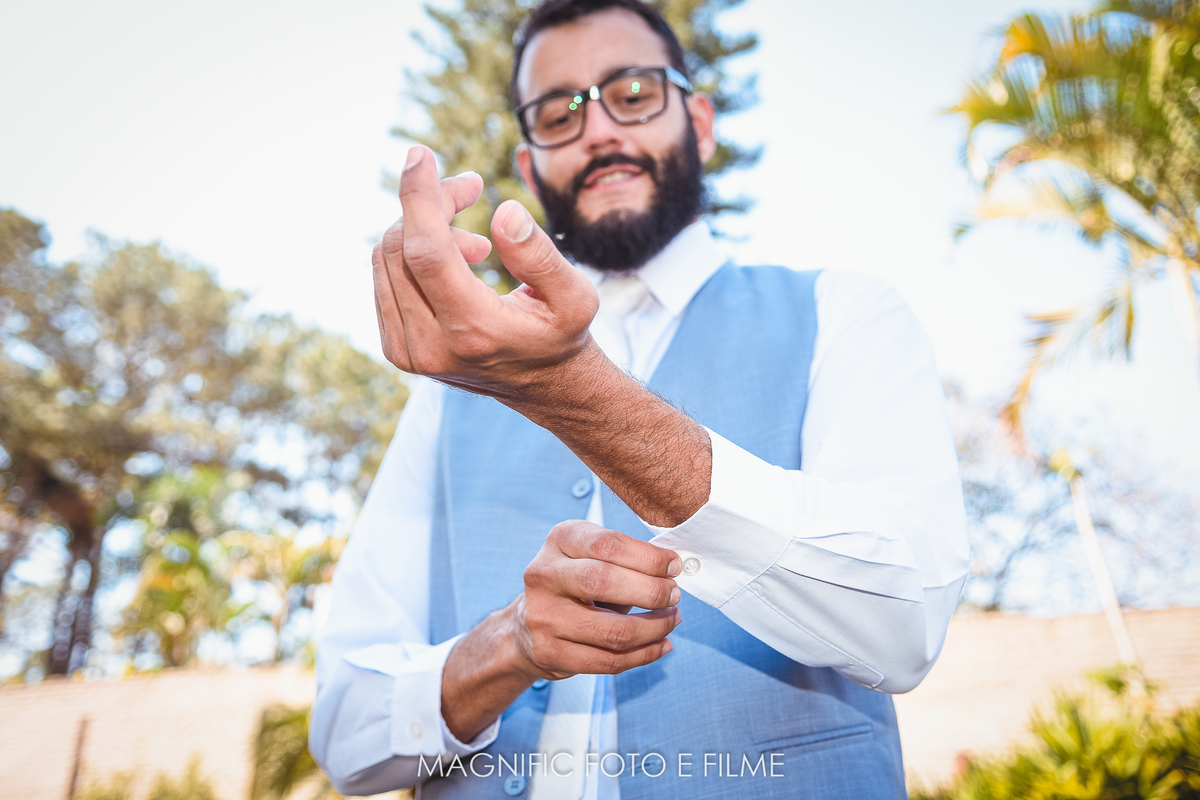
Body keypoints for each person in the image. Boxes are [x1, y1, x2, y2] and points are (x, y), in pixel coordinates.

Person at [309, 0, 969, 798]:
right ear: (529, 168)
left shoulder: (845, 314)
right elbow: (344, 732)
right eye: (559, 113)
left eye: (632, 94)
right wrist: (509, 645)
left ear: (701, 122)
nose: (597, 130)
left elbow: (906, 621)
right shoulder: (449, 399)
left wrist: (571, 391)